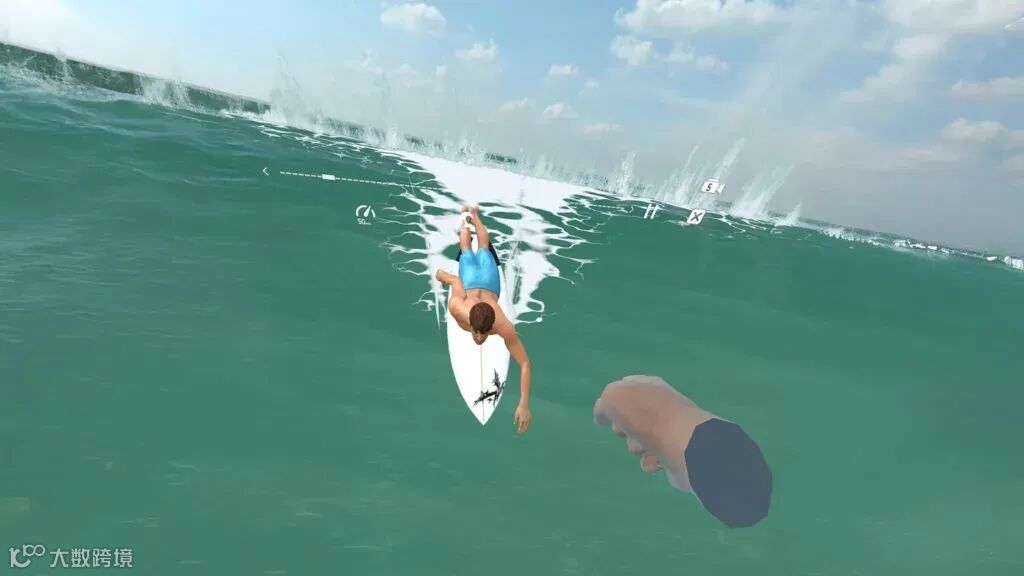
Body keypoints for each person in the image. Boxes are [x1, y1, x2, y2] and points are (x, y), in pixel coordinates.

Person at [435, 206, 533, 434]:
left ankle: (476, 216)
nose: (479, 338)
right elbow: (455, 282)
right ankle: (466, 221)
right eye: (476, 332)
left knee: (484, 247)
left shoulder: (501, 324)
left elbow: (525, 364)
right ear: (470, 322)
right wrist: (441, 277)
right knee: (466, 247)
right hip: (470, 279)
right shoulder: (458, 307)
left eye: (483, 333)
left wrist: (524, 403)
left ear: (492, 328)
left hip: (489, 281)